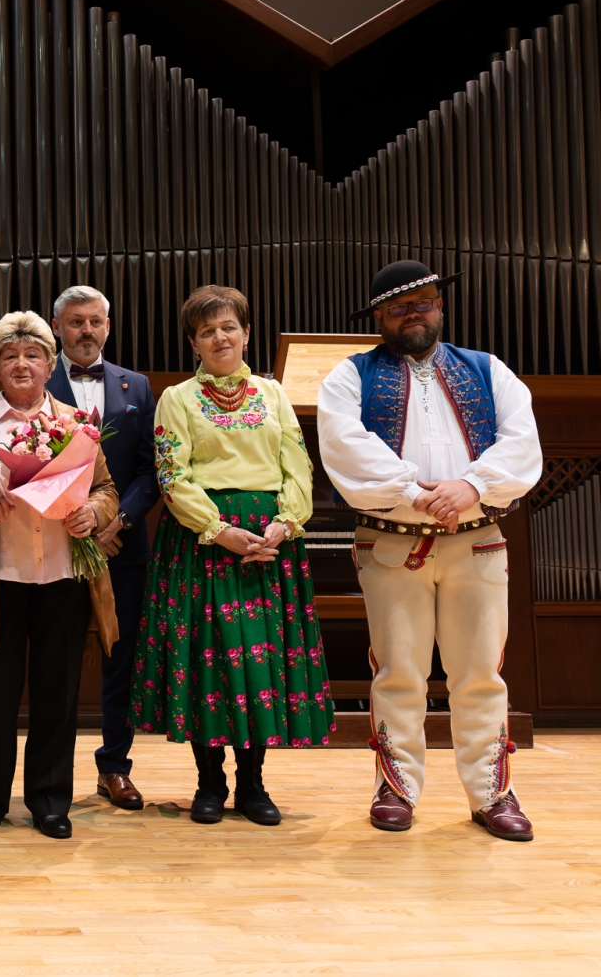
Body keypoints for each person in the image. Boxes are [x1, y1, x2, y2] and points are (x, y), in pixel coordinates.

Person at [317, 260, 542, 841]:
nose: (413, 313)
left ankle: (493, 793)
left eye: (422, 301)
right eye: (398, 306)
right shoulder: (349, 376)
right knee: (399, 672)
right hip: (392, 544)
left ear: (440, 305)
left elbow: (522, 440)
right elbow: (346, 449)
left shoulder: (490, 370)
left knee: (479, 674)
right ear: (378, 318)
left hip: (480, 542)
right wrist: (417, 494)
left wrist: (472, 486)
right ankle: (396, 788)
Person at [131, 285, 332, 826]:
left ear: (246, 332)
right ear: (193, 342)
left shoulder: (273, 394)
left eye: (228, 327)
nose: (219, 337)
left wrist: (283, 525)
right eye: (206, 330)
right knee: (210, 661)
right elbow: (173, 476)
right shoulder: (177, 398)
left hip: (271, 544)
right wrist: (218, 530)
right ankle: (209, 782)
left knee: (260, 663)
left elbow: (299, 466)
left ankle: (254, 784)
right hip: (204, 543)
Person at [0, 311, 120, 839]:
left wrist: (97, 513)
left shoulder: (77, 422)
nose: (22, 364)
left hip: (62, 575)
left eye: (32, 355)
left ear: (48, 363)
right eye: (9, 356)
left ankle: (48, 801)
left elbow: (106, 489)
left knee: (57, 694)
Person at [45, 285, 158, 812]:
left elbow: (147, 470)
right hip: (55, 545)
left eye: (94, 321)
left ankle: (114, 767)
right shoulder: (35, 385)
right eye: (74, 322)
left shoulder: (138, 386)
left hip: (123, 546)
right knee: (58, 659)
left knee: (122, 661)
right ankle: (51, 778)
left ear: (108, 327)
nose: (85, 330)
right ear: (58, 328)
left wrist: (119, 521)